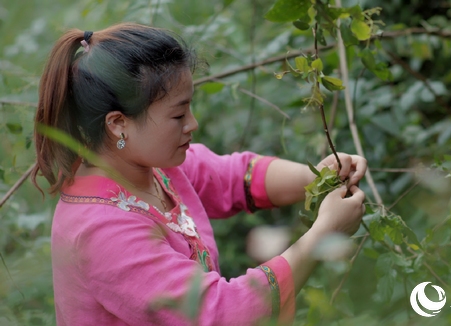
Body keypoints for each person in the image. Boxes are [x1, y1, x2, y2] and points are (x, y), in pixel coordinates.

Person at [33, 23, 367, 325]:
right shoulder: (100, 230)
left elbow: (232, 177)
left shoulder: (154, 166)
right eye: (178, 115)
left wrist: (316, 178)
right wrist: (324, 233)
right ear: (119, 124)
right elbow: (221, 313)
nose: (192, 124)